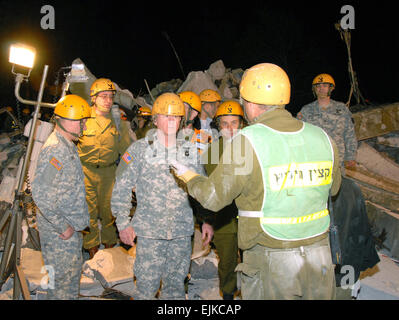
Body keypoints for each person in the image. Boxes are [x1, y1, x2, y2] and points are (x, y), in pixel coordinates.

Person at [170, 63, 342, 300]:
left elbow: (213, 198)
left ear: (249, 103)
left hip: (272, 256)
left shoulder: (247, 141)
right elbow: (334, 189)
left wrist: (187, 176)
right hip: (319, 255)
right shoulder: (322, 137)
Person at [111, 92, 211, 300]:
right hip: (149, 234)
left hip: (181, 234)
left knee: (175, 289)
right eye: (166, 116)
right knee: (146, 289)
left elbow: (200, 189)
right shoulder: (139, 150)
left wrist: (206, 221)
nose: (172, 121)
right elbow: (121, 187)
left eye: (176, 117)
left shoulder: (189, 151)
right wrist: (123, 223)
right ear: (155, 119)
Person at [31, 94, 91, 299]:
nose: (84, 126)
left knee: (68, 282)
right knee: (63, 288)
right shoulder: (56, 149)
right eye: (81, 121)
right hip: (60, 235)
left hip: (68, 229)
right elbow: (40, 192)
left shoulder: (66, 144)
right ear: (68, 120)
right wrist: (62, 226)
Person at [77, 78, 132, 258]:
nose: (108, 101)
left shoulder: (118, 121)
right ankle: (92, 252)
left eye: (110, 97)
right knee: (89, 214)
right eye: (103, 96)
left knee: (109, 213)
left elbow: (126, 151)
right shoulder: (83, 118)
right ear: (93, 98)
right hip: (86, 171)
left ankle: (109, 251)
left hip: (109, 173)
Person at [202, 100, 245, 300]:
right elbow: (209, 189)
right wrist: (208, 220)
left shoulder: (251, 147)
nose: (229, 128)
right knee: (227, 261)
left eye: (234, 123)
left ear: (242, 124)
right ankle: (228, 296)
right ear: (218, 125)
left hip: (249, 214)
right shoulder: (212, 152)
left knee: (253, 260)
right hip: (223, 215)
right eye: (225, 123)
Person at [297, 74, 358, 171]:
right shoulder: (306, 111)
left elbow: (349, 134)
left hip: (338, 160)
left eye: (325, 86)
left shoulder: (342, 109)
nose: (321, 89)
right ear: (314, 89)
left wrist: (351, 156)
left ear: (331, 88)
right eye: (318, 86)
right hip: (315, 162)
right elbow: (299, 136)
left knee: (337, 185)